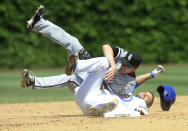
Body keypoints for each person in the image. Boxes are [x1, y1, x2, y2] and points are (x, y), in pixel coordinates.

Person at [22, 5, 164, 110]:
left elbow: (111, 97)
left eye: (127, 66)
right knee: (73, 42)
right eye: (124, 62)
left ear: (135, 69)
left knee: (71, 78)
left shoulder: (128, 84)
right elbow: (106, 46)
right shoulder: (123, 57)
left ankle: (34, 81)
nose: (124, 66)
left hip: (94, 88)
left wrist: (151, 75)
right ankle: (38, 23)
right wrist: (113, 65)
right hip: (92, 70)